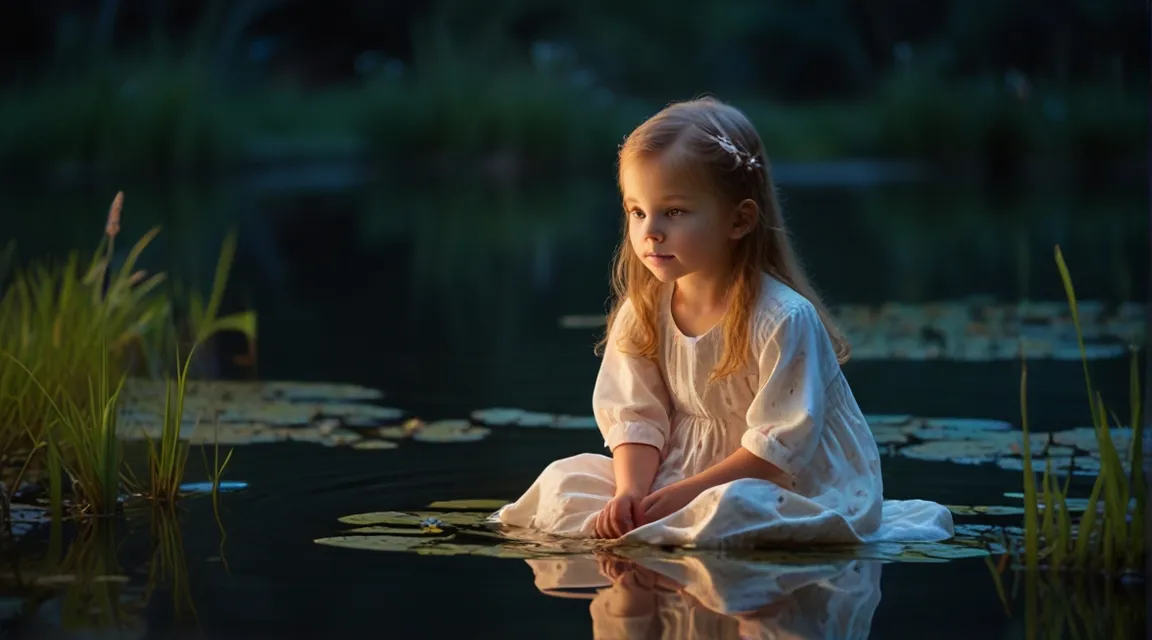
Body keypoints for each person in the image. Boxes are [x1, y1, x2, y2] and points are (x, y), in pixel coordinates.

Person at [490, 96, 953, 548]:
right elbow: (636, 418)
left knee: (735, 507)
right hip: (678, 474)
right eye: (637, 211)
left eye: (673, 212)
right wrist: (632, 492)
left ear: (739, 220)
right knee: (564, 480)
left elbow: (778, 452)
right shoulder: (642, 314)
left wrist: (683, 496)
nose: (650, 231)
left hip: (780, 480)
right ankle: (666, 525)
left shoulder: (783, 319)